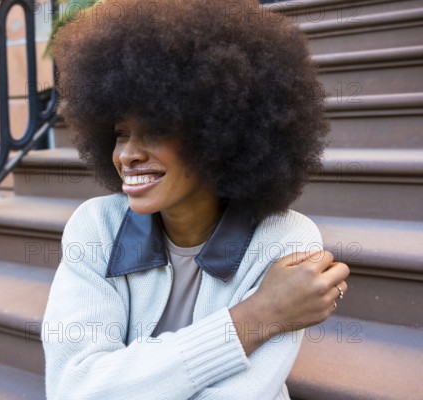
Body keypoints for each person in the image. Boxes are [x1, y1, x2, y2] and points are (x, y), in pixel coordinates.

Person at [42, 0, 349, 398]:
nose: (126, 154)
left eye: (154, 129)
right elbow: (75, 389)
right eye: (120, 132)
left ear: (217, 133)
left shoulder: (283, 241)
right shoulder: (96, 228)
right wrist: (255, 316)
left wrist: (124, 379)